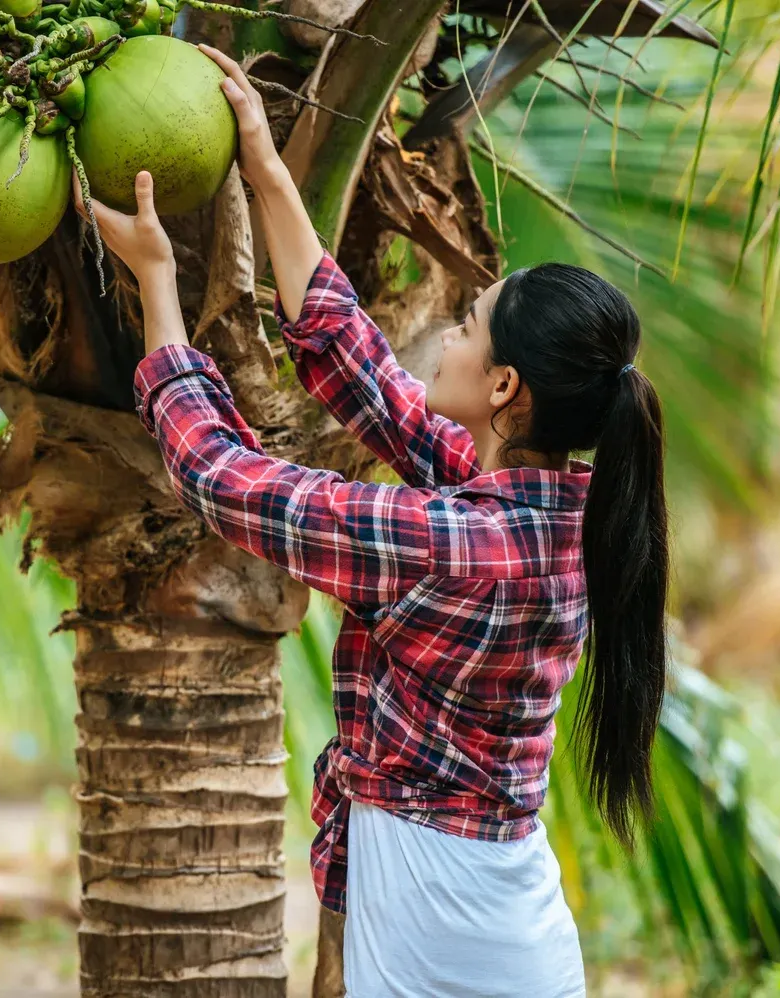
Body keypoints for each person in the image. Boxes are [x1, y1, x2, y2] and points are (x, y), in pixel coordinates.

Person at [73, 43, 669, 998]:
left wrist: (156, 283)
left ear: (504, 387)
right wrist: (266, 165)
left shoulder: (453, 544)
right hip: (493, 919)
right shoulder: (560, 513)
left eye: (467, 326)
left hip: (445, 943)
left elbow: (224, 480)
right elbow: (365, 375)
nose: (446, 333)